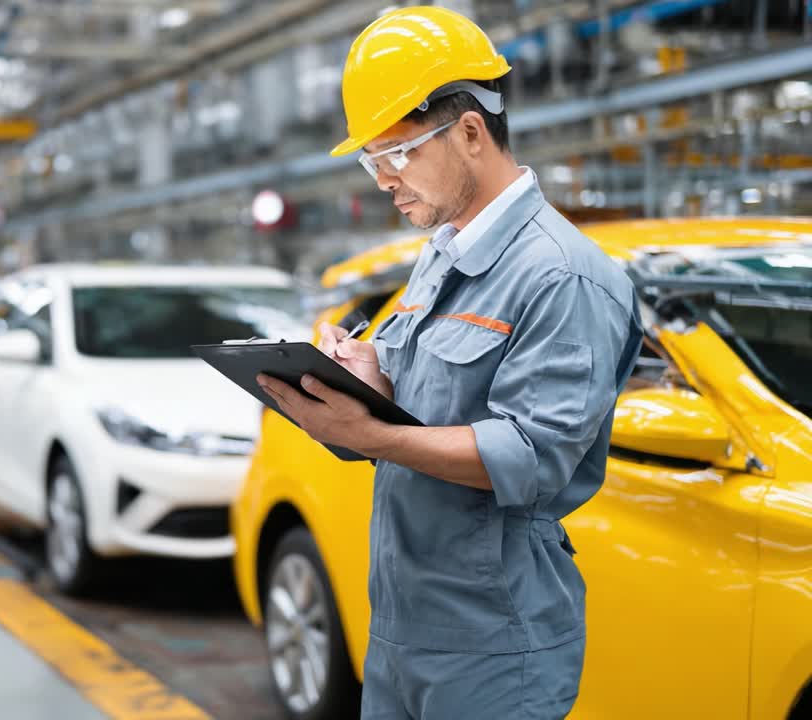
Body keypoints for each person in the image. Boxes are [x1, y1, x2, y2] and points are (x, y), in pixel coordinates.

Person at [257, 7, 644, 719]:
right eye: (373, 159)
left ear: (469, 133)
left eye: (395, 154)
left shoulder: (561, 275)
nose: (382, 180)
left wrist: (372, 435)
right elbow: (422, 393)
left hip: (494, 644)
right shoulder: (441, 257)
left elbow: (532, 453)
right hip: (403, 624)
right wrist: (363, 376)